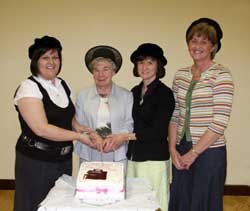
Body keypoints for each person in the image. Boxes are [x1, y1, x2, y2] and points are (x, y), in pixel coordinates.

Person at [13, 36, 93, 211]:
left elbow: (67, 117)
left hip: (63, 160)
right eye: (45, 57)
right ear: (35, 61)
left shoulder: (62, 84)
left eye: (55, 57)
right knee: (34, 206)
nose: (51, 62)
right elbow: (42, 129)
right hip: (36, 161)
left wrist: (82, 129)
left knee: (59, 205)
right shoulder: (28, 87)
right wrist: (79, 137)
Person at [168, 18, 234, 211]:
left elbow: (219, 122)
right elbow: (174, 114)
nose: (197, 46)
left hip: (209, 152)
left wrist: (193, 153)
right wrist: (173, 148)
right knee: (181, 200)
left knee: (204, 203)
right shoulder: (180, 75)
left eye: (204, 42)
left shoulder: (221, 75)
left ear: (213, 46)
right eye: (193, 41)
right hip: (181, 148)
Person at [126, 43, 175, 211]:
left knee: (155, 205)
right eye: (140, 62)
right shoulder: (133, 92)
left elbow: (159, 131)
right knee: (134, 204)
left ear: (158, 66)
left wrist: (125, 136)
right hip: (133, 158)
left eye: (150, 62)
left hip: (154, 161)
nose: (144, 67)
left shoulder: (164, 93)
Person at [74, 45, 134, 167]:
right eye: (96, 70)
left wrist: (118, 138)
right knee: (88, 186)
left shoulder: (126, 95)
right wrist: (92, 137)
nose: (101, 74)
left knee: (117, 186)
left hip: (117, 155)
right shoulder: (82, 96)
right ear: (92, 72)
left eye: (106, 69)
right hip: (89, 153)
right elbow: (79, 125)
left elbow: (129, 123)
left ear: (113, 71)